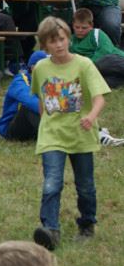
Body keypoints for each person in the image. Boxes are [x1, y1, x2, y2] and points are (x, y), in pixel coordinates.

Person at [29, 16, 106, 251]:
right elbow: (41, 100)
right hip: (53, 135)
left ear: (68, 39)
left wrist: (91, 116)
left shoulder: (84, 65)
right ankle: (50, 230)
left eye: (62, 39)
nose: (59, 45)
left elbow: (99, 98)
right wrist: (45, 126)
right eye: (53, 41)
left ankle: (87, 224)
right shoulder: (41, 68)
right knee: (51, 184)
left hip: (81, 134)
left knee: (85, 186)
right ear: (44, 45)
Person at [0, 51, 47, 143]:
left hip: (33, 127)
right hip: (11, 129)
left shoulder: (46, 82)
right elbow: (30, 101)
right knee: (29, 108)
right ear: (33, 68)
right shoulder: (20, 80)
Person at [69, 7, 124, 88]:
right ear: (73, 25)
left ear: (91, 26)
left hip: (113, 60)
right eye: (77, 27)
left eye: (84, 28)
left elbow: (105, 51)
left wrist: (88, 65)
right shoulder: (71, 41)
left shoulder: (97, 33)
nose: (80, 30)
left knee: (104, 62)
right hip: (94, 69)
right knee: (97, 82)